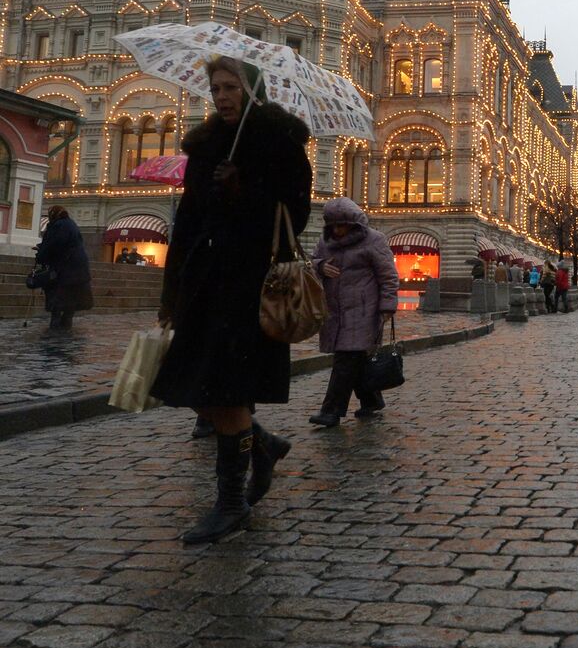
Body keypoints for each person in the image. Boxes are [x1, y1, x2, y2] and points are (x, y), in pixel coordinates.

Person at [151, 57, 309, 544]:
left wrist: (244, 190)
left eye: (230, 87)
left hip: (249, 283)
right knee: (195, 388)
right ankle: (261, 445)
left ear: (251, 90)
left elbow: (295, 216)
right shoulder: (204, 145)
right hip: (203, 280)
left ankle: (232, 503)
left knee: (227, 389)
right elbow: (188, 224)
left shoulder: (279, 142)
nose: (220, 96)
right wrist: (171, 290)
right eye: (215, 87)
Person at [309, 197, 398, 428]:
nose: (338, 230)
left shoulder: (374, 240)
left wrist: (387, 306)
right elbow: (311, 262)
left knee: (345, 359)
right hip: (334, 310)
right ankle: (372, 400)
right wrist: (319, 266)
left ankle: (331, 412)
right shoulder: (325, 241)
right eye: (334, 225)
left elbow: (388, 276)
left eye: (342, 225)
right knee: (356, 358)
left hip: (363, 310)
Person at [34, 205, 93, 333]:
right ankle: (66, 326)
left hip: (64, 269)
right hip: (78, 270)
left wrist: (41, 255)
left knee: (57, 298)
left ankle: (55, 328)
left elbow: (54, 245)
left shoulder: (58, 225)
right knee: (70, 301)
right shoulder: (71, 224)